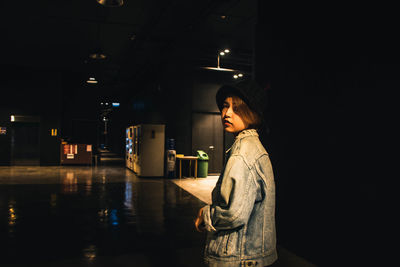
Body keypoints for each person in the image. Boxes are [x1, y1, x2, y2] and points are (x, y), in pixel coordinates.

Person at [195, 79, 277, 267]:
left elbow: (234, 213)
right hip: (254, 255)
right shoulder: (256, 148)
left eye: (236, 108)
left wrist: (205, 214)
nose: (227, 113)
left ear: (252, 113)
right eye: (225, 106)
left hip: (238, 258)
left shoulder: (242, 153)